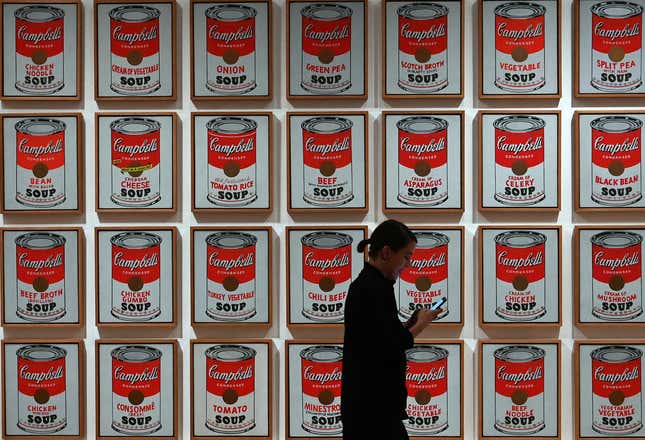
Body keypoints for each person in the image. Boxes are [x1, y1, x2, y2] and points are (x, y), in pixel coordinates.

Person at [340, 219, 442, 440]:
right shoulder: (372, 289)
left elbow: (381, 336)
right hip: (372, 410)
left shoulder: (372, 285)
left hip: (370, 407)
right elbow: (392, 345)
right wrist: (420, 325)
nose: (408, 264)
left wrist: (408, 325)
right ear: (386, 252)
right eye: (406, 256)